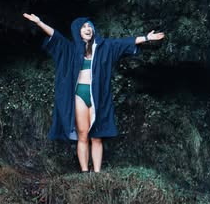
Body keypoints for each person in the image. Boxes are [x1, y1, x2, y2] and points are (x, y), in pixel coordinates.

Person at [23, 13, 165, 172]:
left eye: (89, 26)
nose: (87, 28)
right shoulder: (71, 49)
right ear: (78, 31)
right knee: (83, 135)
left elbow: (124, 42)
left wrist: (146, 37)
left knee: (97, 136)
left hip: (98, 97)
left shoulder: (104, 47)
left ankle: (97, 173)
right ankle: (84, 172)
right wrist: (39, 22)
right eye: (83, 27)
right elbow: (55, 35)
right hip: (79, 95)